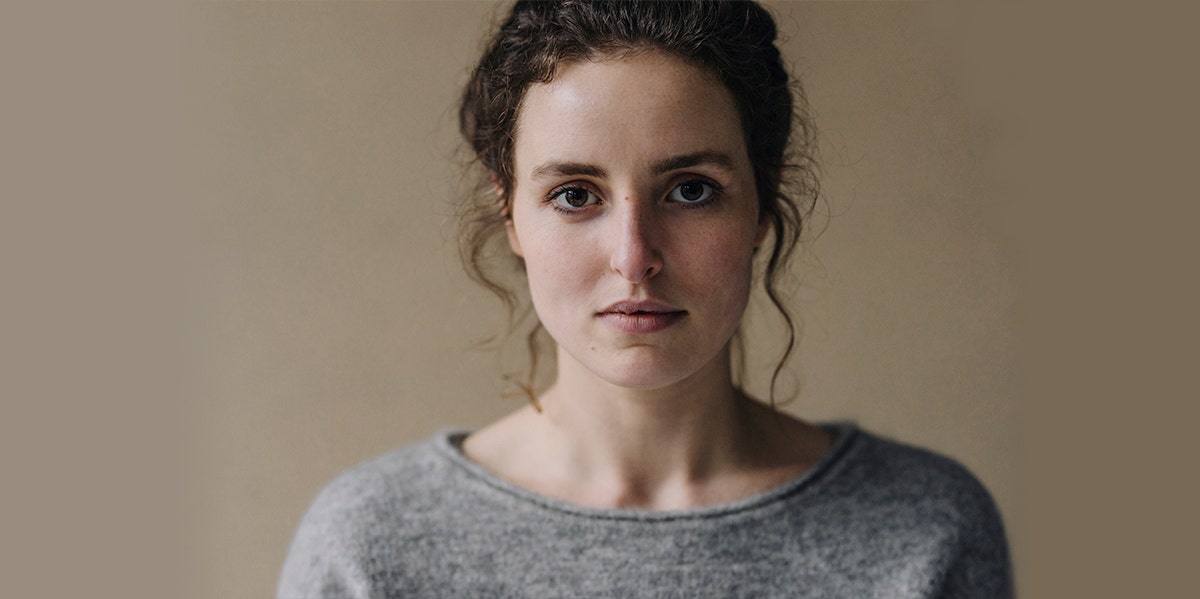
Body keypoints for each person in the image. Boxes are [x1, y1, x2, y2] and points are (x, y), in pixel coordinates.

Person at [277, 1, 1012, 597]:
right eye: (574, 195)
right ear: (511, 215)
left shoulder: (924, 530)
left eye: (691, 190)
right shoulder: (371, 546)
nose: (634, 257)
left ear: (762, 204)